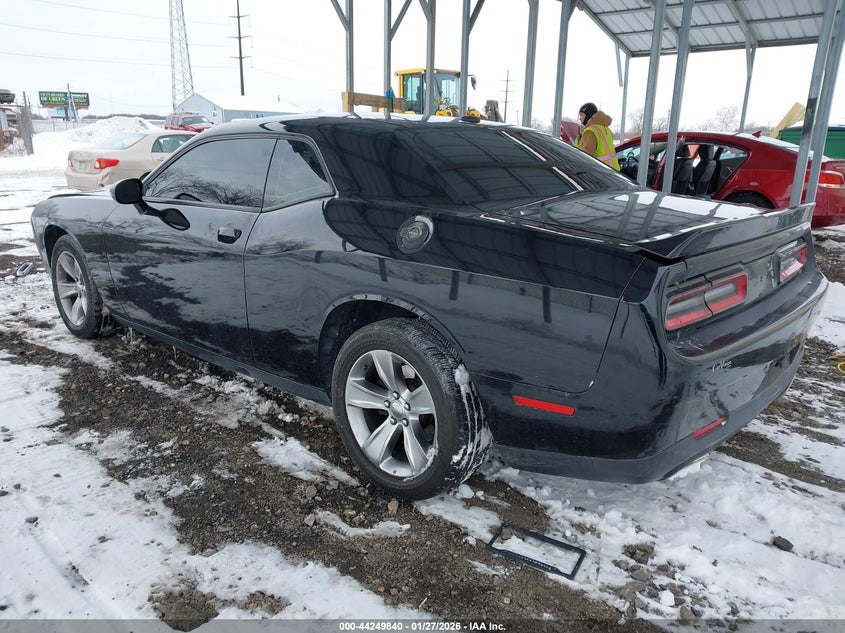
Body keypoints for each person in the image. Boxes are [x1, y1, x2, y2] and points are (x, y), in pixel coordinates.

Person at [575, 102, 621, 171]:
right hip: (614, 170)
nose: (580, 118)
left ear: (588, 115)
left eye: (581, 115)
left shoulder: (590, 131)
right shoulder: (605, 128)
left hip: (601, 173)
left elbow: (584, 157)